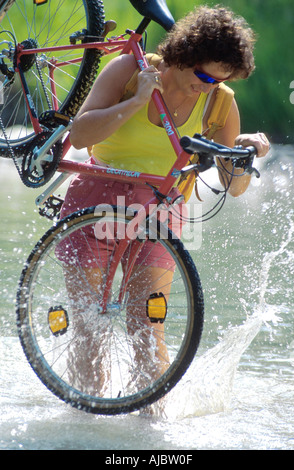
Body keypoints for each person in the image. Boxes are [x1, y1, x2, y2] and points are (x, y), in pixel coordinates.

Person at [59, 5, 270, 396]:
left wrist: (241, 153)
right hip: (95, 204)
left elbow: (234, 187)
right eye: (203, 75)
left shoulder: (220, 102)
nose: (208, 86)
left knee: (147, 329)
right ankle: (86, 428)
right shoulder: (129, 69)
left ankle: (150, 434)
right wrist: (136, 101)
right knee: (89, 330)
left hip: (161, 214)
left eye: (220, 80)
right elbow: (82, 134)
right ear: (183, 55)